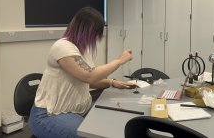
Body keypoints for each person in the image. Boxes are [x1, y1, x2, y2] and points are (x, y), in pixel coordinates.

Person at [29, 7, 136, 138]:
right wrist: (120, 60)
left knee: (111, 124)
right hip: (49, 115)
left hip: (77, 110)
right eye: (96, 33)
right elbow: (89, 76)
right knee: (90, 135)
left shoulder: (83, 50)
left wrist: (112, 82)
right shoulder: (62, 47)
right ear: (85, 29)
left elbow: (86, 81)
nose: (97, 38)